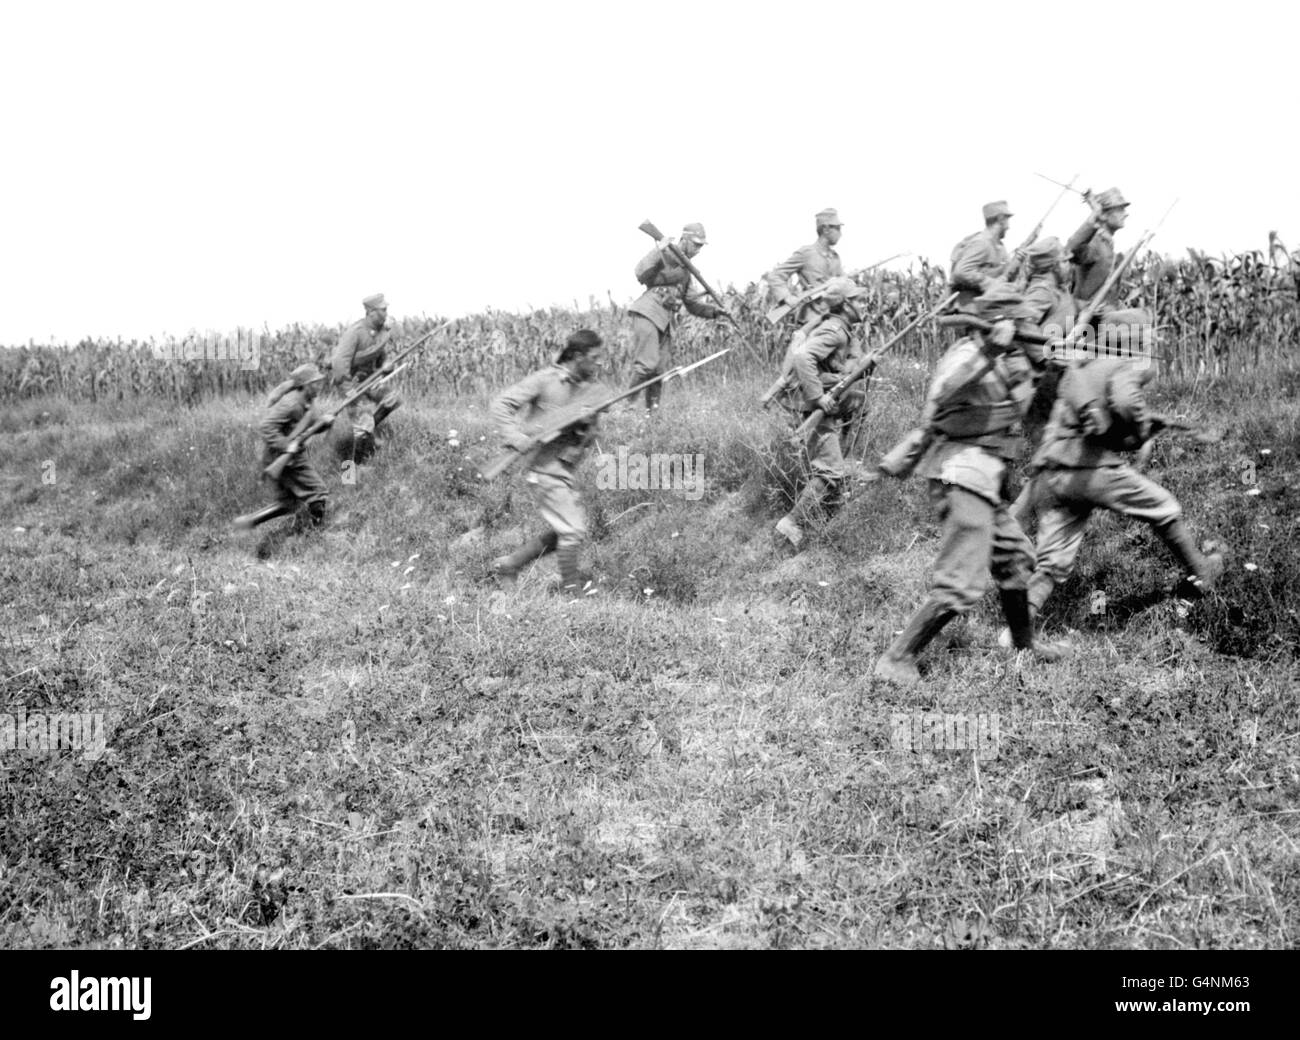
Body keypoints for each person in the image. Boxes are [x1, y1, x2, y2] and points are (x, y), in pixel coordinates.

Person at [873, 287, 1067, 687]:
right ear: (999, 322)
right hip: (959, 475)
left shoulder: (1012, 357)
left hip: (982, 480)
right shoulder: (968, 354)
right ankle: (897, 659)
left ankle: (1022, 645)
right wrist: (989, 353)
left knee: (1016, 561)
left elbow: (1032, 384)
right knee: (962, 581)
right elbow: (944, 392)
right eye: (1022, 321)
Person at [1022, 319, 1224, 624]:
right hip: (1088, 468)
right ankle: (1201, 571)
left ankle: (1017, 629)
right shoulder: (1121, 363)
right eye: (1146, 340)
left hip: (1052, 473)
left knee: (1052, 561)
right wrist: (1142, 428)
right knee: (1163, 506)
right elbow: (1126, 404)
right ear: (1134, 341)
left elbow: (1099, 421)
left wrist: (1146, 426)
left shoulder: (1080, 367)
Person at [490, 329, 606, 592]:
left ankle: (510, 564)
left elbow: (587, 433)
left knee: (564, 530)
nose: (599, 363)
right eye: (595, 357)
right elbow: (501, 405)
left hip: (563, 470)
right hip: (543, 470)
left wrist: (589, 421)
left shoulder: (586, 389)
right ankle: (573, 595)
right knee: (572, 530)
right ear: (578, 356)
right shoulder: (546, 380)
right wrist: (515, 437)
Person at [774, 276, 869, 549]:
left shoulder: (843, 330)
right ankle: (791, 523)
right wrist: (817, 397)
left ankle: (834, 501)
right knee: (830, 471)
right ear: (846, 305)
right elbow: (804, 357)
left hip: (813, 403)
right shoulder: (834, 330)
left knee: (861, 403)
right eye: (859, 300)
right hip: (808, 405)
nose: (864, 304)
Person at [627, 223, 729, 412]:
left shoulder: (688, 270)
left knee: (658, 371)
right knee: (646, 364)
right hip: (648, 311)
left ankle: (653, 414)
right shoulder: (665, 253)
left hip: (666, 319)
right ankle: (627, 406)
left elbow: (691, 304)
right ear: (684, 239)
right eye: (695, 245)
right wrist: (659, 249)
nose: (698, 250)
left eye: (700, 246)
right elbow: (640, 272)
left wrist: (715, 312)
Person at [233, 363, 330, 532]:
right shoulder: (291, 404)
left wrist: (325, 424)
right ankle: (317, 536)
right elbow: (266, 427)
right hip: (283, 458)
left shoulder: (308, 402)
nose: (319, 386)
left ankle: (250, 521)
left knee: (289, 503)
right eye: (316, 383)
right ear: (306, 385)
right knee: (317, 492)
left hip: (289, 457)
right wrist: (287, 446)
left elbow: (311, 426)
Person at [331, 293, 401, 457]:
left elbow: (379, 355)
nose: (386, 314)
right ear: (371, 312)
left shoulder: (380, 332)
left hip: (370, 380)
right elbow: (339, 364)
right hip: (351, 383)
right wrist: (349, 390)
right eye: (383, 310)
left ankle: (365, 431)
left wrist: (386, 366)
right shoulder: (355, 332)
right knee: (363, 423)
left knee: (392, 398)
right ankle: (350, 468)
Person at [763, 208, 846, 319]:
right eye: (837, 229)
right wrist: (787, 297)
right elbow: (775, 276)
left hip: (833, 317)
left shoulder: (835, 257)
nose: (840, 234)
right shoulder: (806, 253)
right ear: (826, 229)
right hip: (812, 318)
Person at [1066, 188, 1129, 309]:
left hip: (1101, 320)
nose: (1126, 214)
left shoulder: (1106, 244)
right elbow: (1071, 251)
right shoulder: (1095, 242)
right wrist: (1092, 219)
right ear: (1104, 215)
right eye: (1120, 209)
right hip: (1086, 322)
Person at [950, 201, 1016, 307]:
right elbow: (961, 271)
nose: (1008, 227)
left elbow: (1001, 274)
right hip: (968, 301)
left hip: (984, 299)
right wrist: (989, 283)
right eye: (1007, 220)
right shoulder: (982, 243)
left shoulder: (999, 246)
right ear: (1000, 219)